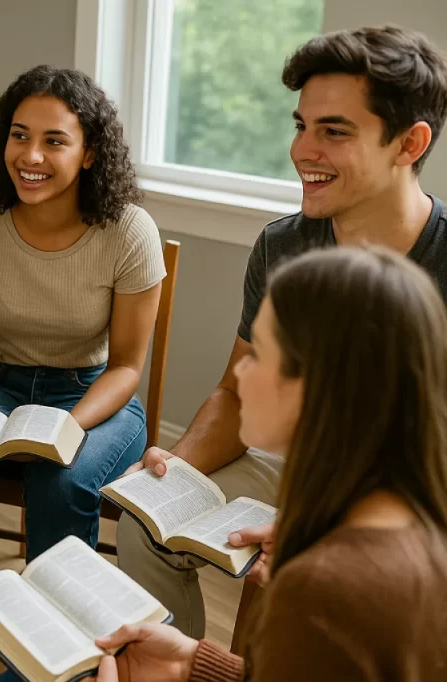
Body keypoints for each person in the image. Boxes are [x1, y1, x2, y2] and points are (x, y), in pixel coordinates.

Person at [118, 24, 447, 637]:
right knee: (144, 526)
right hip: (295, 463)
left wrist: (328, 521)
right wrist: (173, 471)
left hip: (411, 502)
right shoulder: (282, 246)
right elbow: (237, 391)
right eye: (301, 125)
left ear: (409, 143)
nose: (302, 151)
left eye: (334, 131)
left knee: (285, 605)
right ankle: (171, 665)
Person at [94, 246, 447, 681]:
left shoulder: (321, 589)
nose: (239, 374)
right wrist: (193, 663)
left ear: (317, 387)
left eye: (259, 354)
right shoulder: (417, 537)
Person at [0, 65, 165, 681]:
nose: (30, 156)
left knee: (62, 479)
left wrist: (69, 423)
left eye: (55, 141)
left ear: (89, 153)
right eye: (19, 135)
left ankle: (58, 645)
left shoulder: (129, 230)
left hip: (96, 394)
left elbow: (128, 366)